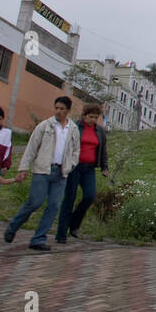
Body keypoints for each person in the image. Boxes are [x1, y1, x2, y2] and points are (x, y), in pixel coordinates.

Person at [3, 96, 81, 252]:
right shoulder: (45, 126)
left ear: (68, 111)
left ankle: (39, 238)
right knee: (35, 202)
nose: (58, 111)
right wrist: (23, 168)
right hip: (43, 170)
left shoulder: (72, 129)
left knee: (53, 205)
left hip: (61, 172)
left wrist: (70, 165)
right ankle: (13, 226)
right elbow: (31, 148)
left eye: (62, 109)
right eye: (56, 108)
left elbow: (76, 151)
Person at [55, 102, 109, 244]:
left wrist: (105, 168)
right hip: (74, 167)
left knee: (89, 196)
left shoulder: (100, 131)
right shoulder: (75, 127)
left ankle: (74, 224)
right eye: (91, 117)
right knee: (69, 198)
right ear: (84, 116)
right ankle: (61, 233)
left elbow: (103, 151)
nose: (93, 120)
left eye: (96, 117)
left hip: (89, 168)